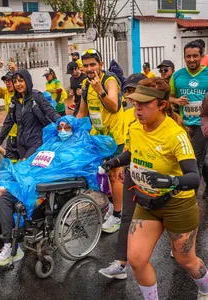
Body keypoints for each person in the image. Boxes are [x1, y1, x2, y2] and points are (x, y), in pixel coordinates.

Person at [100, 77, 208, 300]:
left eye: (144, 104)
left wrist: (167, 181)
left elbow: (194, 178)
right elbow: (132, 153)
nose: (137, 108)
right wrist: (115, 162)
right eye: (135, 103)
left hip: (177, 206)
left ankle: (205, 287)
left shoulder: (175, 135)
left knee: (185, 260)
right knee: (137, 259)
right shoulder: (136, 127)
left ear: (162, 105)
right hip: (147, 202)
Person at [0, 115, 117, 265]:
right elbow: (35, 164)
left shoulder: (80, 146)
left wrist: (29, 179)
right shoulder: (52, 143)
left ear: (74, 128)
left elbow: (63, 169)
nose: (62, 130)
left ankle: (10, 245)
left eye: (66, 127)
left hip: (48, 187)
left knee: (3, 195)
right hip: (34, 179)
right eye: (59, 127)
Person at [99, 73, 146, 279]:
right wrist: (117, 164)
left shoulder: (164, 120)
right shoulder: (126, 114)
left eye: (134, 91)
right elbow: (127, 145)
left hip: (161, 183)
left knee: (182, 253)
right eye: (127, 91)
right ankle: (120, 264)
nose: (130, 96)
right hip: (133, 174)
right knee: (126, 218)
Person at [77, 49, 125, 233]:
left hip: (114, 139)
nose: (90, 69)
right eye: (86, 65)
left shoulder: (109, 80)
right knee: (99, 176)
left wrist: (100, 91)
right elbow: (82, 112)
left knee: (114, 176)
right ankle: (112, 206)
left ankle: (118, 215)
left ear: (101, 65)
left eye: (93, 64)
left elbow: (113, 107)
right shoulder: (85, 84)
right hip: (97, 138)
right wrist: (70, 128)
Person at [0, 69, 60, 160]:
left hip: (36, 141)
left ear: (27, 81)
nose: (18, 84)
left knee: (25, 164)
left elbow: (51, 112)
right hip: (21, 143)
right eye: (15, 81)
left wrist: (63, 122)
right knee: (26, 170)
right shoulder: (14, 101)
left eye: (21, 80)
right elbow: (8, 123)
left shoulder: (37, 96)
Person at [170, 41, 208, 197]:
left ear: (202, 55)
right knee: (187, 159)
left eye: (195, 56)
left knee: (195, 162)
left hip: (201, 125)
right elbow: (169, 97)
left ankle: (190, 198)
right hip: (182, 125)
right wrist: (176, 101)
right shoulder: (177, 75)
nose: (191, 59)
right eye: (188, 56)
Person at [0, 59, 19, 162]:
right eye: (6, 81)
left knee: (25, 162)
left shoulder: (21, 93)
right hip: (11, 134)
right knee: (12, 162)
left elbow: (27, 84)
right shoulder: (5, 92)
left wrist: (16, 70)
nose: (8, 83)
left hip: (23, 134)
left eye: (10, 80)